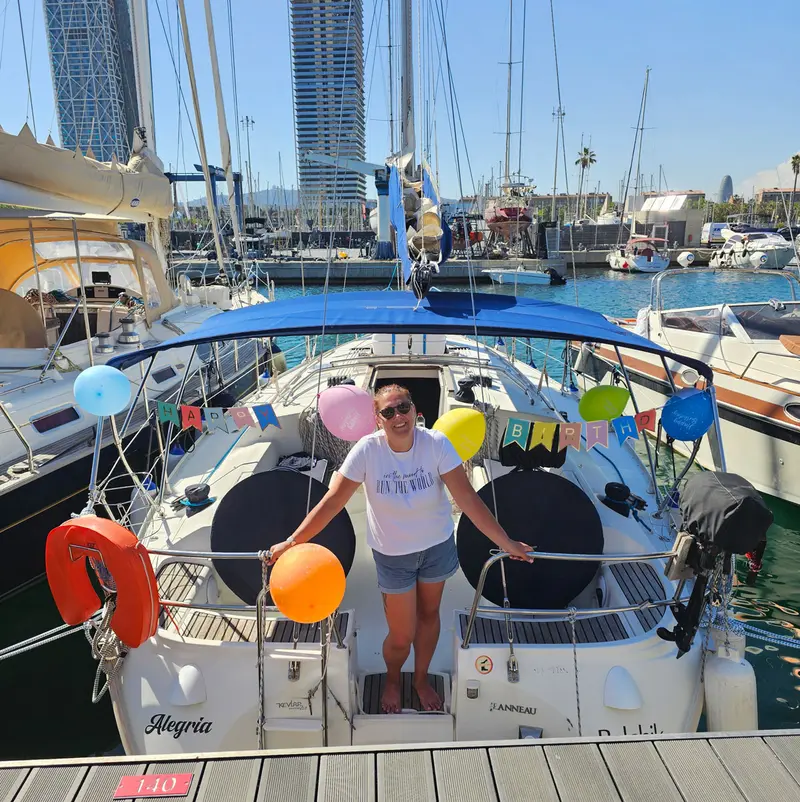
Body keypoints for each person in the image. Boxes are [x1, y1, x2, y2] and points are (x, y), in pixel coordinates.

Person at [268, 385, 532, 713]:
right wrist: (293, 541)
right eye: (388, 412)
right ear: (377, 420)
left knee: (429, 616)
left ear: (414, 409)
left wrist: (506, 543)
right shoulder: (367, 451)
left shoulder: (435, 444)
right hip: (393, 556)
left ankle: (420, 680)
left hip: (436, 547)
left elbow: (468, 500)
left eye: (403, 407)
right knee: (401, 634)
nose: (398, 416)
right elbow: (333, 500)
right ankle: (393, 679)